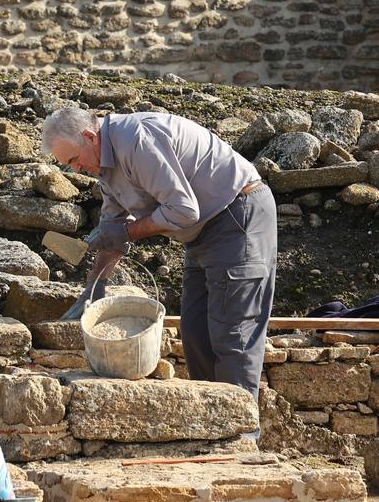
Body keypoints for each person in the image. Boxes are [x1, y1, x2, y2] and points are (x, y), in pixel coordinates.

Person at [41, 106, 277, 411]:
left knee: (233, 335)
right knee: (195, 334)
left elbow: (182, 210)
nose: (75, 170)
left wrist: (128, 232)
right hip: (200, 232)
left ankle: (241, 438)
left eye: (73, 160)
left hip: (236, 215)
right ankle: (216, 426)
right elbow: (113, 229)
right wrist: (95, 285)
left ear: (89, 137)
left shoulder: (136, 141)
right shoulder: (104, 165)